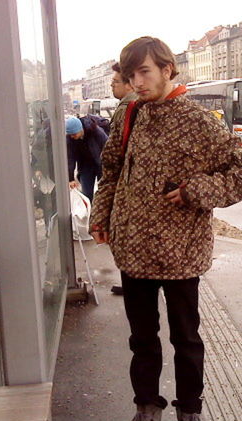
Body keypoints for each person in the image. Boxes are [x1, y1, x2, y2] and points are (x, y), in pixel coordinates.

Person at [89, 37, 242, 421]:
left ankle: (191, 412)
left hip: (181, 251)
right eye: (130, 75)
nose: (137, 82)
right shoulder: (129, 113)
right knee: (141, 338)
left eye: (144, 72)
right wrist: (101, 215)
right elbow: (110, 169)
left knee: (186, 338)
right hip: (133, 248)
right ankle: (146, 408)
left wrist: (195, 191)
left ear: (168, 69)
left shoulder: (201, 121)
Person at [108, 62, 137, 296]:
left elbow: (114, 158)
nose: (111, 86)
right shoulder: (130, 108)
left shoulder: (128, 107)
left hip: (127, 192)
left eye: (115, 82)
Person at [66, 115, 107, 204]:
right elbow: (70, 158)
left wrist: (109, 166)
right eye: (70, 135)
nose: (72, 136)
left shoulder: (96, 131)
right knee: (86, 194)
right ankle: (89, 213)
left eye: (74, 134)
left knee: (103, 192)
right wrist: (70, 178)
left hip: (100, 164)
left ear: (80, 129)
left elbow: (108, 147)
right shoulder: (70, 139)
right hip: (85, 166)